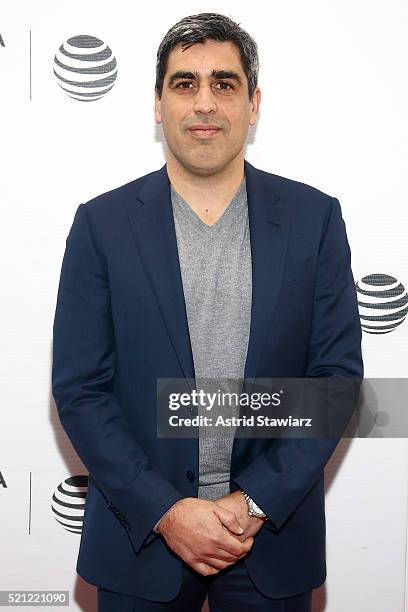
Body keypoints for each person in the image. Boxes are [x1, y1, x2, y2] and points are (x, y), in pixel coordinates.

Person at [51, 12, 363, 612]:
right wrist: (167, 512)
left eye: (224, 83)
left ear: (254, 103)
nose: (205, 103)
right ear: (158, 104)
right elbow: (81, 391)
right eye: (184, 83)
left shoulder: (314, 220)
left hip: (271, 537)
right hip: (139, 538)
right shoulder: (101, 226)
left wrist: (251, 503)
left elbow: (337, 383)